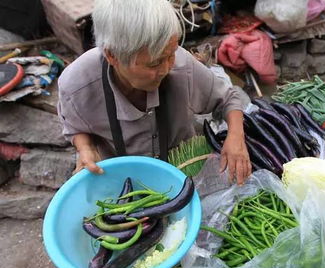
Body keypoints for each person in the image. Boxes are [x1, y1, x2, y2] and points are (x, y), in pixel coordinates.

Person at [57, 0, 251, 184]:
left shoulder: (182, 66)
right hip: (119, 180)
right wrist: (86, 148)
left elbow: (227, 99)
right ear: (112, 55)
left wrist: (236, 136)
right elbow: (75, 125)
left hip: (184, 167)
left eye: (171, 55)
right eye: (154, 63)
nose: (166, 68)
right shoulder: (76, 86)